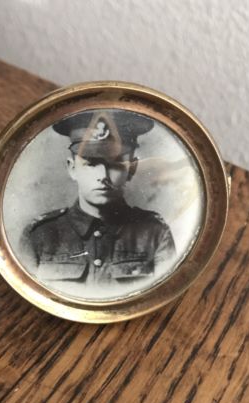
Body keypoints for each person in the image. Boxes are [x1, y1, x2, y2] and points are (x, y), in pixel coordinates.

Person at [20, 109, 176, 293]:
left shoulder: (155, 234)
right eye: (91, 163)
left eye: (116, 164)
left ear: (132, 169)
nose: (103, 176)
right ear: (72, 168)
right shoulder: (39, 236)